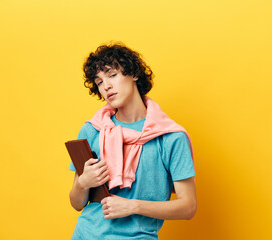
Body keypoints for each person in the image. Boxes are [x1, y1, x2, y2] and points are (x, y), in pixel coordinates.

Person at [68, 42, 197, 240]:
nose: (106, 86)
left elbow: (188, 207)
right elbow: (77, 203)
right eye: (99, 81)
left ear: (134, 74)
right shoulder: (93, 129)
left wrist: (132, 206)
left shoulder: (170, 137)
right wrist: (83, 183)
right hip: (86, 234)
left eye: (112, 75)